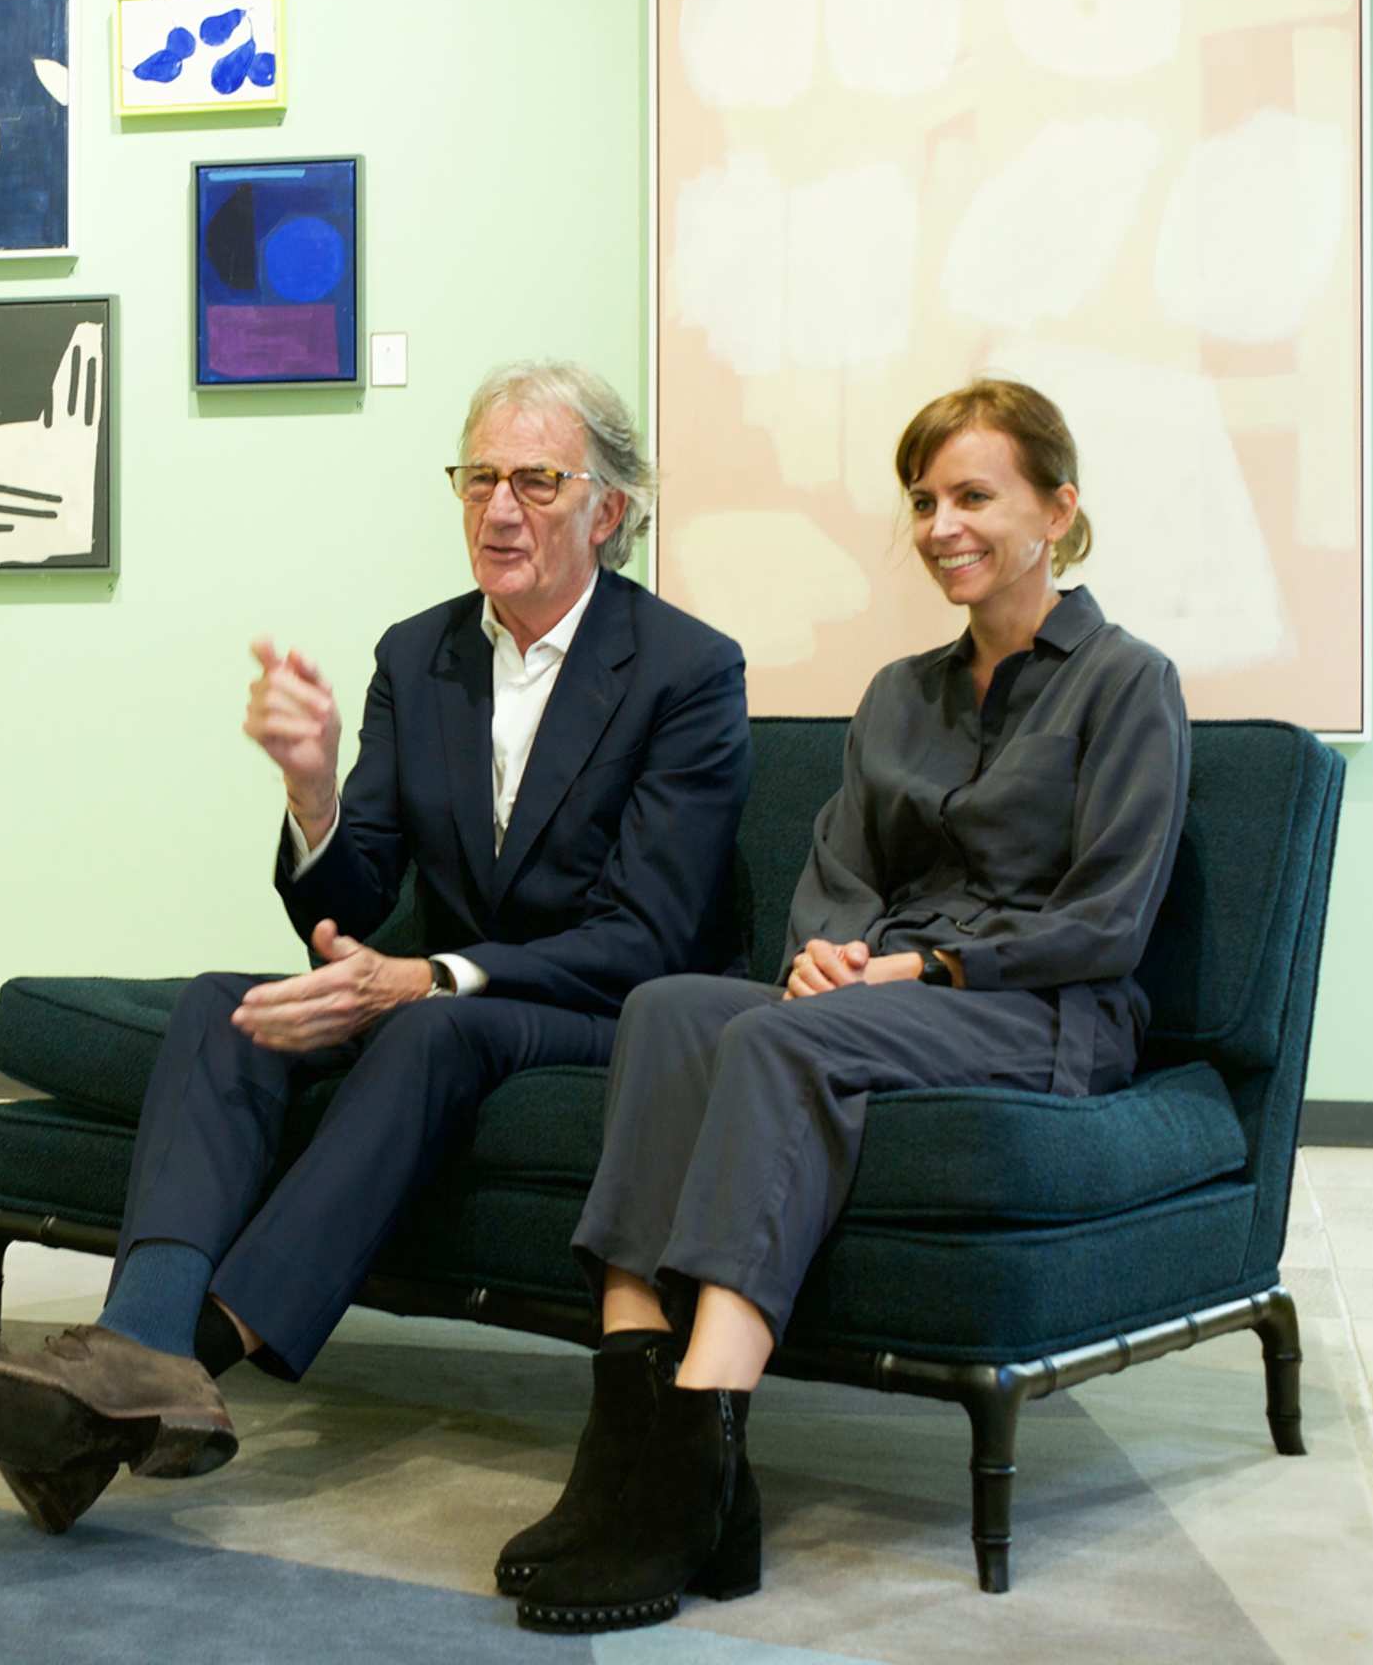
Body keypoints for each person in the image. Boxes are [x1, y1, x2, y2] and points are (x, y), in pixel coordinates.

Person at [0, 358, 752, 1535]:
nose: (499, 509)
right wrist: (312, 796)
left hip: (604, 1008)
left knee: (431, 1030)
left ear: (607, 509)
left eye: (535, 481)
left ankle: (155, 1369)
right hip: (454, 998)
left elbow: (646, 936)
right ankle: (136, 1349)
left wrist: (431, 976)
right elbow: (353, 900)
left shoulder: (686, 669)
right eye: (478, 478)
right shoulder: (420, 656)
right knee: (227, 1005)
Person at [500, 377, 1191, 1635]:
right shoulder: (899, 695)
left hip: (1039, 1007)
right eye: (924, 501)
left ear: (1058, 509)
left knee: (777, 1042)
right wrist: (829, 952)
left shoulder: (1128, 682)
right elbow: (842, 872)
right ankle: (625, 1427)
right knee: (668, 1009)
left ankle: (702, 1453)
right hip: (883, 991)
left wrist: (921, 971)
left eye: (974, 496)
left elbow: (1108, 919)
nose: (941, 526)